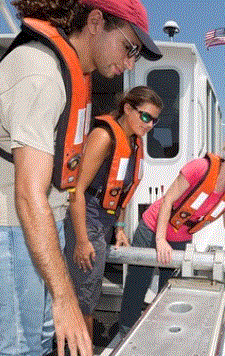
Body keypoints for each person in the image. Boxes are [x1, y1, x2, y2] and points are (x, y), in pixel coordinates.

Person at [0, 0, 162, 355]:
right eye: (129, 47)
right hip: (13, 223)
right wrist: (65, 297)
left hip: (44, 221)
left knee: (42, 339)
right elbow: (28, 194)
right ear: (95, 21)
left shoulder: (73, 74)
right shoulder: (40, 72)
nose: (131, 62)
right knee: (24, 346)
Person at [117, 133, 225, 334]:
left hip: (180, 238)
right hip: (153, 228)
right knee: (137, 284)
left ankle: (157, 330)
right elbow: (168, 200)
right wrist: (160, 239)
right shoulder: (199, 168)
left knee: (168, 290)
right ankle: (125, 331)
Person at [65, 86, 162, 337]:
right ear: (128, 108)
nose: (150, 124)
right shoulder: (104, 136)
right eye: (145, 116)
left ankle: (82, 337)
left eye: (154, 120)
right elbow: (76, 189)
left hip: (104, 223)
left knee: (90, 289)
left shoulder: (132, 143)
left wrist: (119, 228)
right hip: (86, 222)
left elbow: (120, 193)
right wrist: (82, 239)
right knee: (83, 294)